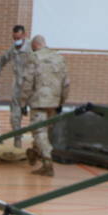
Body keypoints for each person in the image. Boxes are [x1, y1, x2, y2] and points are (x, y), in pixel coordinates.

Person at [20, 34, 70, 177]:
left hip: (39, 101)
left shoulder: (34, 58)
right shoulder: (59, 58)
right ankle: (35, 153)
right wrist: (62, 102)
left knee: (39, 132)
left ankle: (47, 164)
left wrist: (23, 102)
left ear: (34, 45)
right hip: (54, 102)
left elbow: (27, 82)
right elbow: (66, 83)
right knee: (45, 131)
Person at [0, 25, 31, 149]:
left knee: (37, 117)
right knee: (14, 116)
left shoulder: (31, 48)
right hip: (18, 86)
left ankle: (38, 146)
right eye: (14, 38)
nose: (16, 40)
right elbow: (1, 61)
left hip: (32, 86)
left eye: (18, 37)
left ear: (24, 35)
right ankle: (17, 142)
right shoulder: (12, 49)